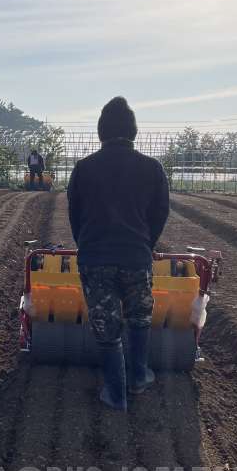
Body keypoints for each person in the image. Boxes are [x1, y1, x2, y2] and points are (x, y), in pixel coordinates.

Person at [67, 97, 170, 411]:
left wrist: (88, 245)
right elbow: (160, 213)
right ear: (133, 131)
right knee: (139, 317)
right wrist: (145, 245)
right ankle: (138, 378)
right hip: (136, 258)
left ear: (101, 132)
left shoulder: (84, 169)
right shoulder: (152, 168)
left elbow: (75, 215)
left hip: (96, 259)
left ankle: (115, 393)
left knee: (107, 327)